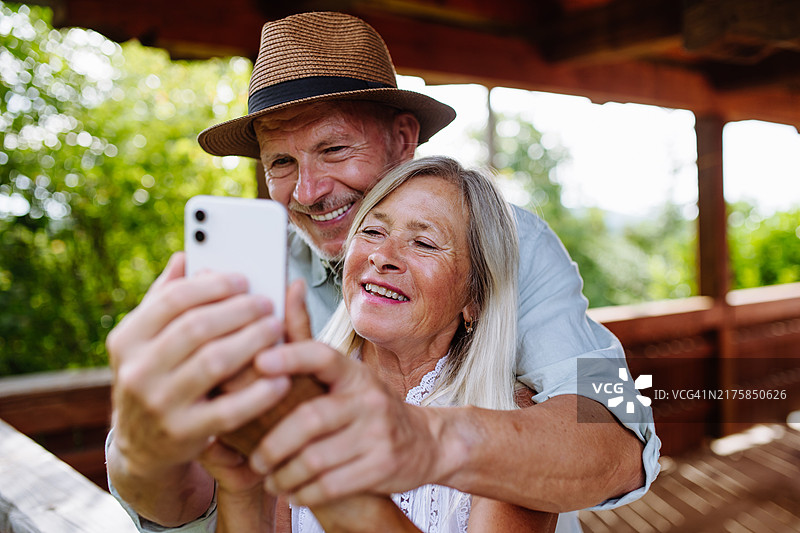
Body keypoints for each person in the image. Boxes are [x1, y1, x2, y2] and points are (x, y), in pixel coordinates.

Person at [105, 10, 659, 533]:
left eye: (334, 149)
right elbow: (194, 499)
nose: (308, 192)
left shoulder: (512, 242)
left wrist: (420, 441)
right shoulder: (250, 263)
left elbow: (618, 423)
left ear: (402, 139)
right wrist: (143, 450)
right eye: (281, 162)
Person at [210, 156, 558, 532]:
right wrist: (238, 481)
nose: (383, 257)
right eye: (373, 232)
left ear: (474, 298)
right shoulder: (289, 394)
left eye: (424, 243)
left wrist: (318, 469)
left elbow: (608, 398)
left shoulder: (517, 426)